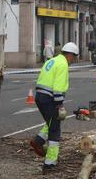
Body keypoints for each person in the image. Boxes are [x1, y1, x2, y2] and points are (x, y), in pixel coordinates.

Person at [30, 42, 78, 171]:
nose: (73, 61)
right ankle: (49, 163)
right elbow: (58, 87)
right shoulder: (63, 64)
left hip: (40, 96)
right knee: (55, 130)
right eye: (74, 57)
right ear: (70, 55)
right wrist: (60, 105)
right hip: (49, 98)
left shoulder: (53, 61)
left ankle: (38, 140)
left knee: (52, 121)